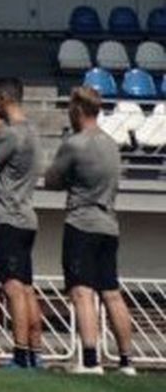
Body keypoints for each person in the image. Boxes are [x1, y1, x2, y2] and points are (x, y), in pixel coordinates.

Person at [45, 87, 136, 376]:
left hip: (82, 222)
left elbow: (52, 179)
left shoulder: (75, 144)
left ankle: (90, 359)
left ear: (78, 109)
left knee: (82, 292)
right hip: (109, 224)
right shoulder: (111, 144)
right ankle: (126, 361)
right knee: (111, 292)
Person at [0, 77, 44, 369]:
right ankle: (34, 352)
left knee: (12, 287)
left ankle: (20, 353)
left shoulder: (9, 134)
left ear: (2, 99)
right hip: (27, 215)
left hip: (8, 216)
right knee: (27, 287)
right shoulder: (32, 130)